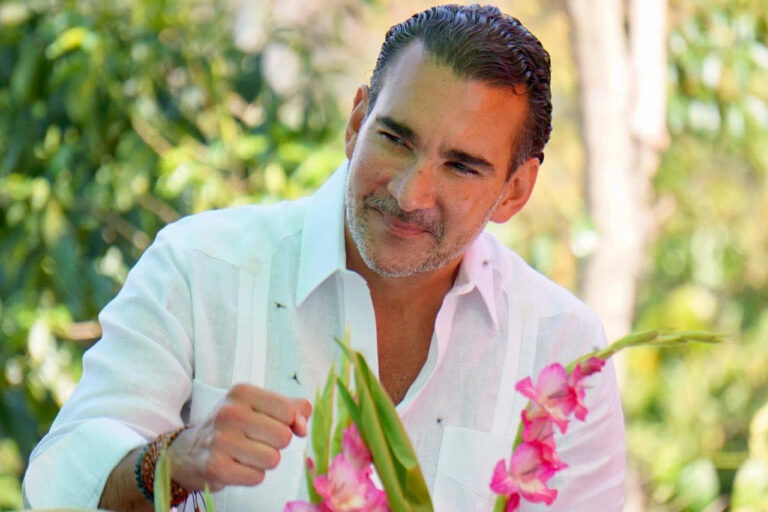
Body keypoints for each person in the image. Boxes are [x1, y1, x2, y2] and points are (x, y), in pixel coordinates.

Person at [23, 4, 626, 511]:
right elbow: (56, 486)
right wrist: (172, 460)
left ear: (516, 190)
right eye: (395, 138)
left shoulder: (562, 347)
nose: (409, 193)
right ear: (357, 121)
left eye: (461, 166)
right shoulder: (199, 268)